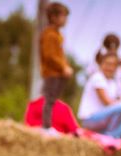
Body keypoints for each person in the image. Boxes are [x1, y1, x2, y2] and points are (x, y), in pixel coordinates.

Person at [39, 2, 73, 132]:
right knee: (49, 100)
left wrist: (65, 66)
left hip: (58, 73)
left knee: (53, 100)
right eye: (63, 16)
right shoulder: (49, 35)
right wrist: (63, 67)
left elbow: (60, 55)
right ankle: (46, 127)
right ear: (53, 17)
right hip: (52, 73)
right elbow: (50, 56)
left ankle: (49, 125)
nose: (65, 20)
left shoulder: (58, 35)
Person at [78, 52, 121, 138]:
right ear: (101, 64)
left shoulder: (113, 83)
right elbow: (107, 102)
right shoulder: (97, 77)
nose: (110, 67)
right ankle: (108, 138)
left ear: (116, 68)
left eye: (113, 65)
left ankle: (106, 139)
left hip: (103, 119)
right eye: (107, 64)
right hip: (90, 119)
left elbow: (118, 101)